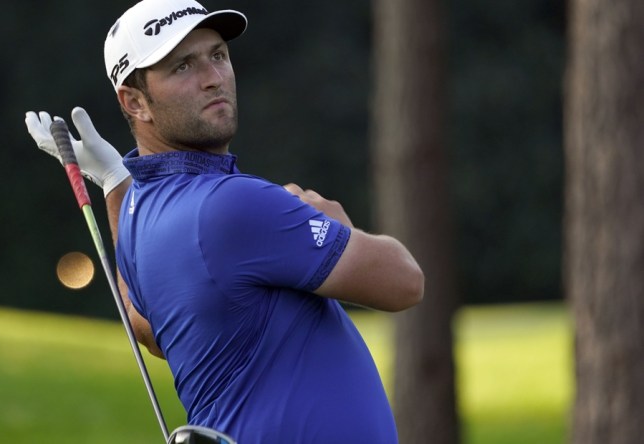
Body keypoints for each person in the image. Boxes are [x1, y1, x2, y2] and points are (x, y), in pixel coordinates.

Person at [25, 0, 424, 442]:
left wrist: (116, 183)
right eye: (182, 67)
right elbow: (404, 281)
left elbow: (154, 332)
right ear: (135, 102)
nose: (213, 78)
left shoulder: (141, 211)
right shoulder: (233, 204)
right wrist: (336, 223)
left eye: (217, 55)